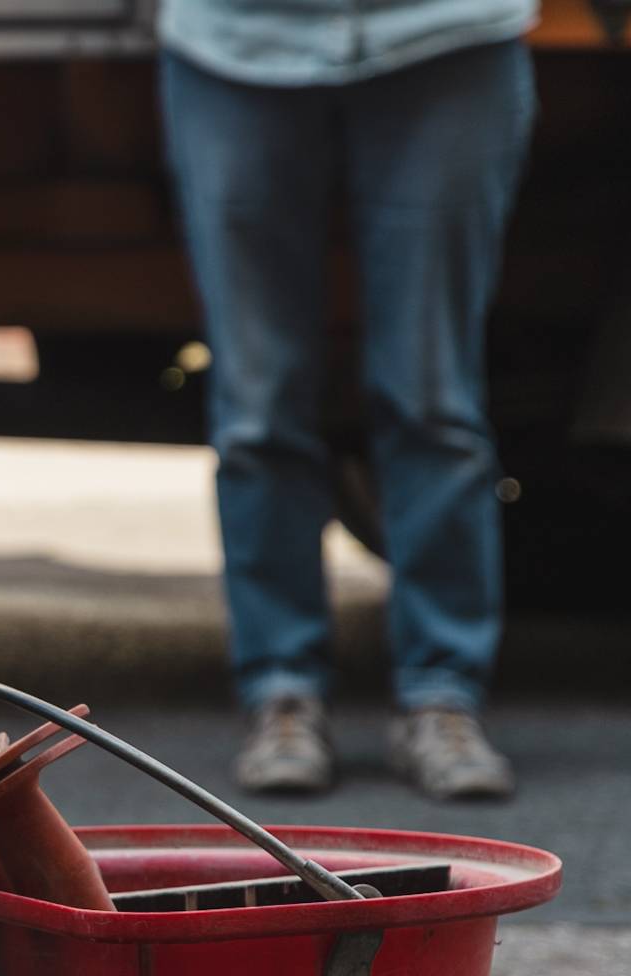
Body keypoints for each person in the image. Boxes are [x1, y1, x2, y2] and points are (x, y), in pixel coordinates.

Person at [156, 0, 534, 799]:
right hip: (235, 42)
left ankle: (443, 696)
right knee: (258, 406)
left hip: (447, 32)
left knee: (434, 398)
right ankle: (281, 692)